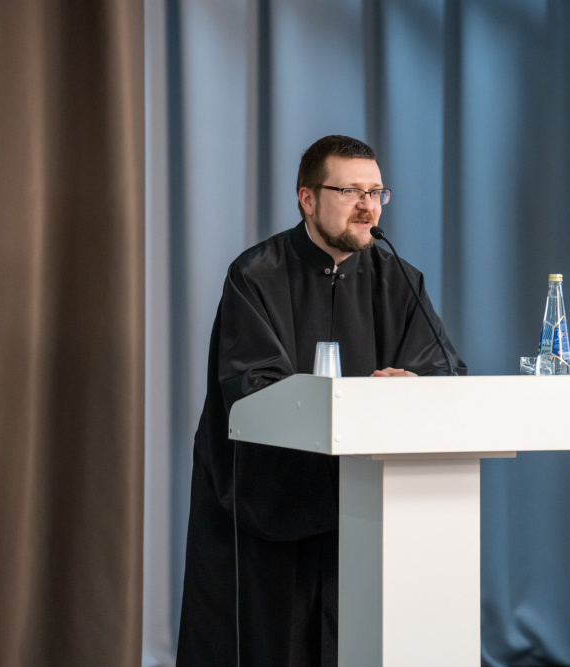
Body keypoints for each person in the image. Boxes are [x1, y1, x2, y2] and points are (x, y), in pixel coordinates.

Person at [176, 135, 466, 666]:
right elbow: (254, 388)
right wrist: (359, 399)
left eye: (376, 192)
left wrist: (411, 386)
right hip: (271, 504)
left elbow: (444, 370)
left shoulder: (399, 279)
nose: (367, 206)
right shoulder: (255, 276)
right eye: (351, 191)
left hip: (365, 507)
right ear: (307, 199)